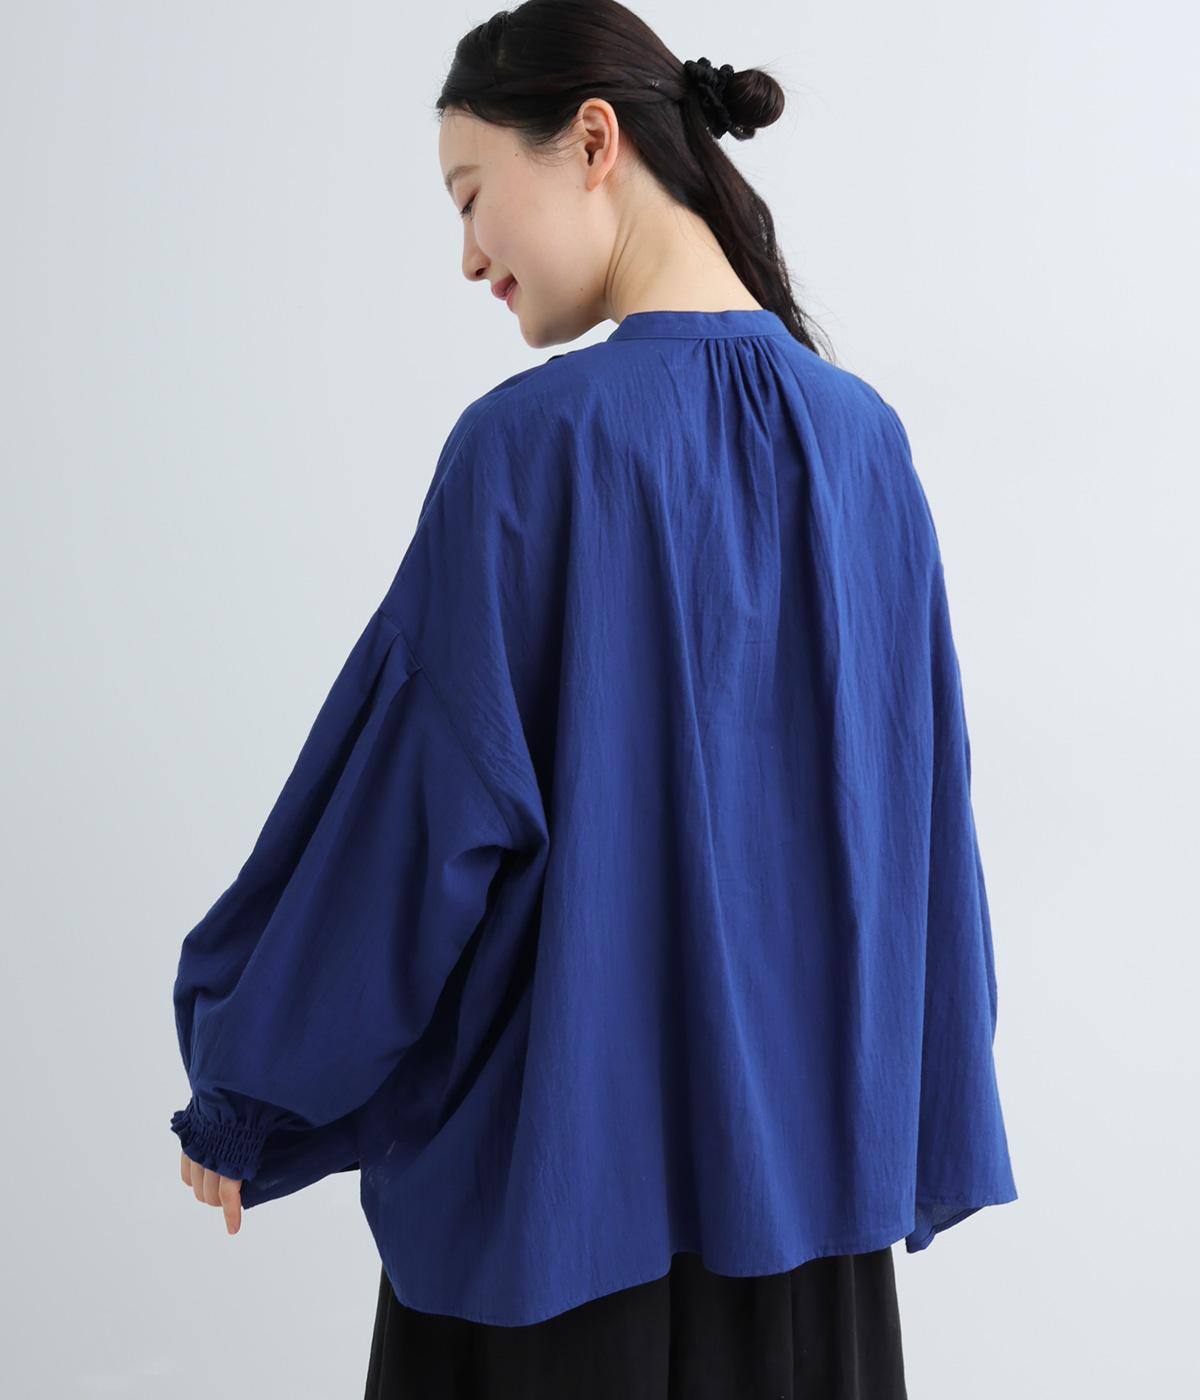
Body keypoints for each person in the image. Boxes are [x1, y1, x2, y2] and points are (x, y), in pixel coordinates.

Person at [169, 2, 1018, 1396]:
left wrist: (251, 1080)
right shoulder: (867, 445)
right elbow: (928, 835)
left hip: (560, 1241)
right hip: (813, 1251)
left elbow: (414, 819)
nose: (467, 255)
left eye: (469, 196)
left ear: (593, 141)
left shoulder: (532, 450)